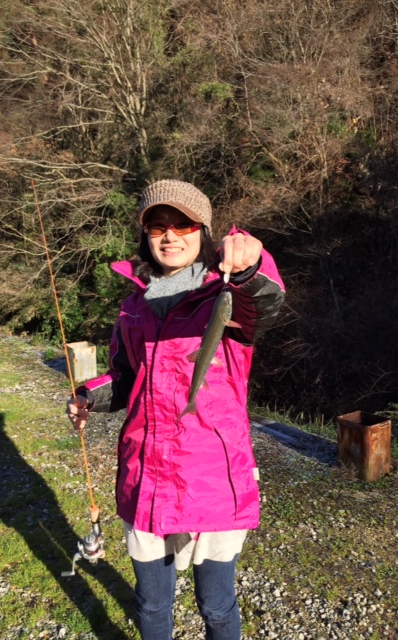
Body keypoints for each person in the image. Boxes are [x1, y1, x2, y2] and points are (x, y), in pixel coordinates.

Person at [66, 179, 285, 640]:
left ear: (202, 231)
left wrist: (250, 266)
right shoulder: (132, 307)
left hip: (214, 481)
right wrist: (88, 396)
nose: (170, 235)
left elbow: (264, 303)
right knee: (151, 605)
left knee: (218, 606)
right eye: (157, 225)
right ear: (145, 236)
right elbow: (125, 377)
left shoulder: (227, 295)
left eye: (183, 224)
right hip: (145, 476)